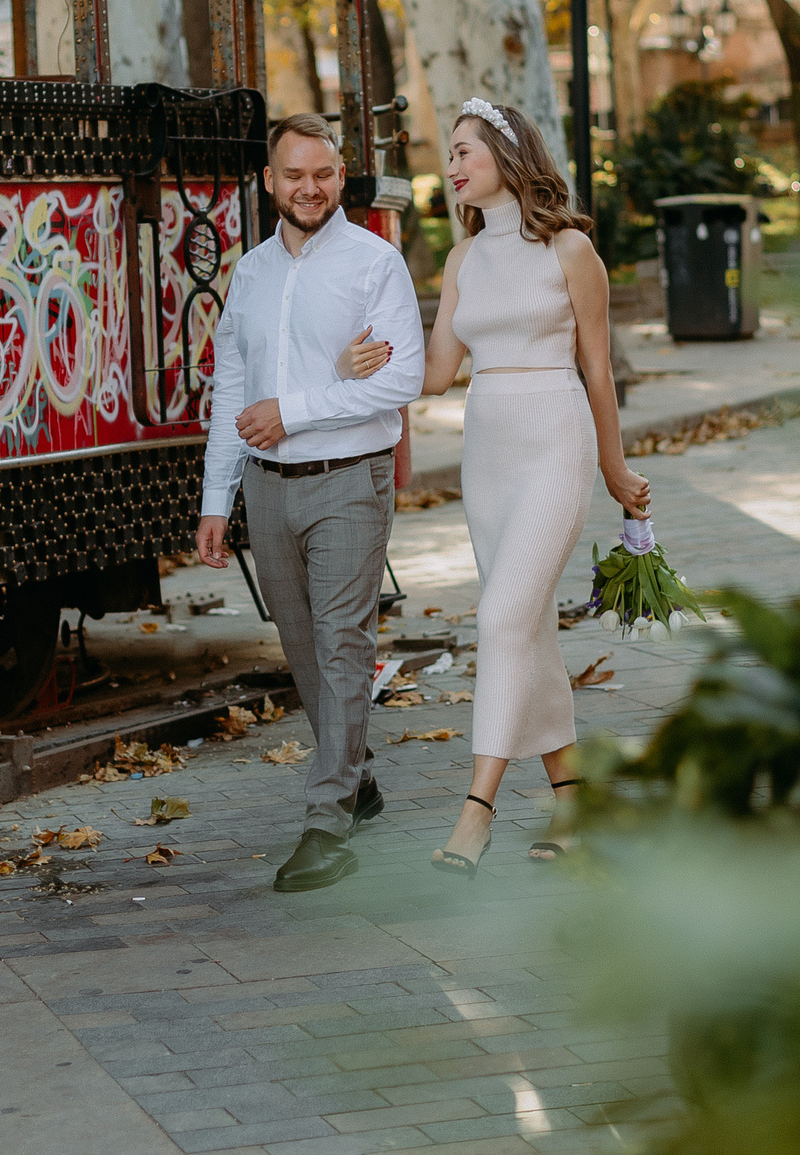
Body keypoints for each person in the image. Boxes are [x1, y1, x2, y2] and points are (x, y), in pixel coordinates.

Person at [341, 99, 651, 874]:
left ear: (508, 157)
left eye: (465, 150)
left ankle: (474, 809)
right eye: (450, 153)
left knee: (503, 612)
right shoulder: (462, 260)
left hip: (555, 436)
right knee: (527, 626)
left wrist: (615, 468)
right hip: (489, 450)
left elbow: (597, 370)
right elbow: (440, 373)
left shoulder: (573, 250)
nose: (451, 165)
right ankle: (574, 800)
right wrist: (371, 355)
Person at [195, 113, 425, 893]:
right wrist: (214, 500)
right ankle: (355, 779)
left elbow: (400, 379)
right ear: (270, 181)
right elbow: (232, 388)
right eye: (294, 175)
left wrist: (295, 408)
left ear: (339, 174)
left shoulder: (375, 263)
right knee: (301, 652)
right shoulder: (251, 274)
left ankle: (327, 824)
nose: (310, 188)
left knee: (341, 645)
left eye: (323, 173)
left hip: (350, 479)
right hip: (267, 486)